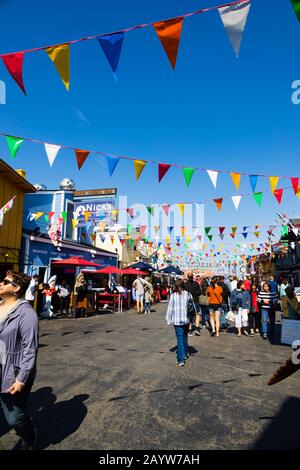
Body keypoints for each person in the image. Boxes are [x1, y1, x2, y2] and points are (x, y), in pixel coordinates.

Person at [0, 272, 39, 450]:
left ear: (16, 288)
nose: (1, 283)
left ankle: (30, 436)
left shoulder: (26, 313)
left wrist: (21, 378)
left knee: (14, 417)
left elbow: (30, 349)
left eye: (6, 282)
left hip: (13, 372)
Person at [166, 279, 193, 367]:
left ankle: (180, 359)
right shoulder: (188, 294)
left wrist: (168, 319)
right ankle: (185, 353)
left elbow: (170, 308)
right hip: (186, 319)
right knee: (184, 336)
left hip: (177, 320)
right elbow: (191, 306)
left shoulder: (173, 296)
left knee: (180, 339)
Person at [184, 270, 202, 337]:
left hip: (188, 302)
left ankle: (190, 330)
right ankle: (197, 328)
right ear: (193, 277)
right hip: (196, 301)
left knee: (189, 315)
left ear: (188, 277)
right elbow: (200, 293)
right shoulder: (196, 284)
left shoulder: (185, 284)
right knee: (197, 314)